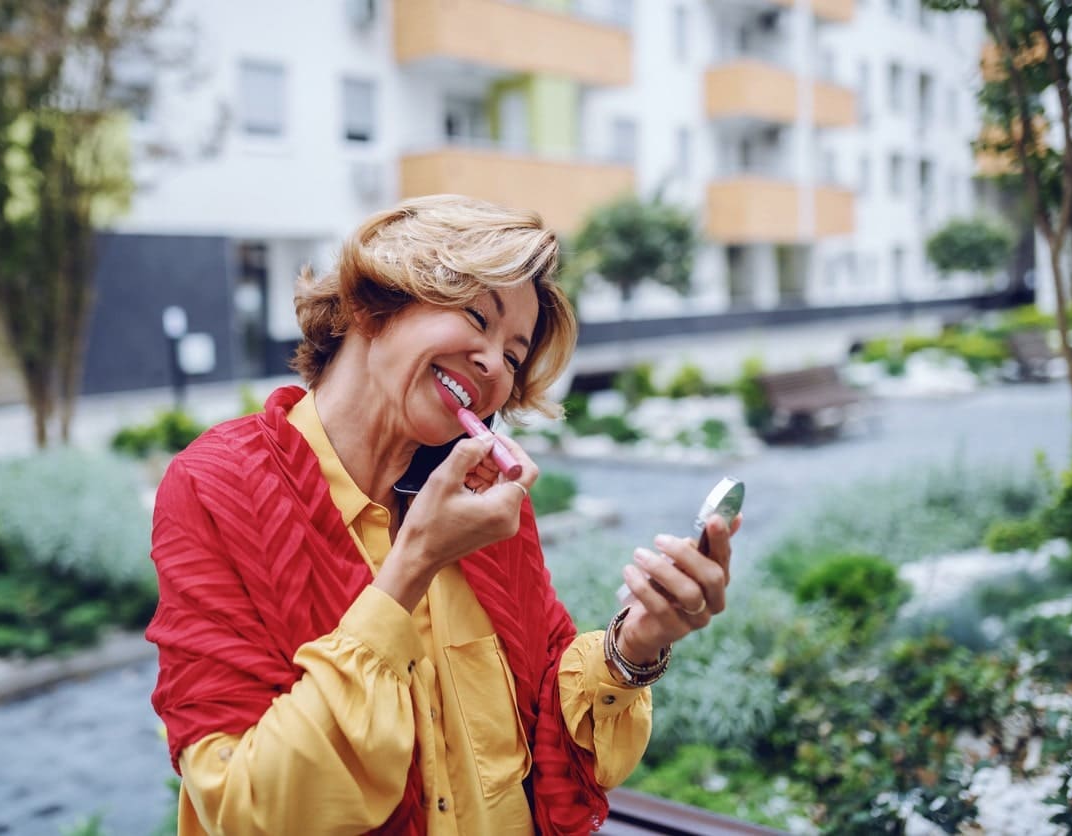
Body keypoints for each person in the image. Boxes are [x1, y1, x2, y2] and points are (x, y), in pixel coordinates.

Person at [147, 194, 740, 835]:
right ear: (375, 303)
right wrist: (414, 566)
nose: (492, 364)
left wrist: (637, 643)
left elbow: (546, 723)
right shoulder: (217, 487)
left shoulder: (479, 501)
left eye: (513, 356)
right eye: (476, 316)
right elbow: (249, 809)